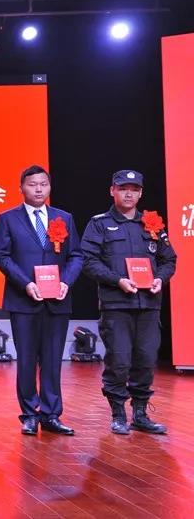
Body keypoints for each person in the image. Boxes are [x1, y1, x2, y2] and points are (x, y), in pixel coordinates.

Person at [80, 169, 177, 435]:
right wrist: (117, 280)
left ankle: (141, 414)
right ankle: (118, 414)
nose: (128, 194)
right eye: (123, 188)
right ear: (112, 190)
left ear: (141, 193)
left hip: (149, 305)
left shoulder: (152, 223)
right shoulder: (99, 224)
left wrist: (159, 279)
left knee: (146, 359)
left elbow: (169, 259)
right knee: (119, 360)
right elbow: (88, 260)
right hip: (116, 305)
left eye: (134, 190)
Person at [0, 165, 82, 436]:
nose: (38, 189)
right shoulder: (8, 219)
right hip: (24, 300)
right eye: (32, 184)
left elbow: (76, 255)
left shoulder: (64, 218)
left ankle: (51, 414)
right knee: (26, 359)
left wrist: (66, 281)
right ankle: (30, 414)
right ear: (21, 188)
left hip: (57, 301)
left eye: (43, 184)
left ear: (49, 187)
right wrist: (26, 283)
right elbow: (2, 257)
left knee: (53, 359)